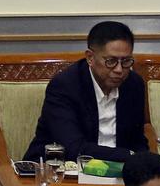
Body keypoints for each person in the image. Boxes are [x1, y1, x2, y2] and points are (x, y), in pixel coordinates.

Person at [23, 21, 148, 163]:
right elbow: (73, 148)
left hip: (120, 173)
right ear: (90, 57)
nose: (119, 69)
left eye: (126, 61)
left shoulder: (133, 84)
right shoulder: (65, 86)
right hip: (63, 170)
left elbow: (137, 139)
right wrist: (129, 156)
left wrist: (144, 162)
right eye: (111, 61)